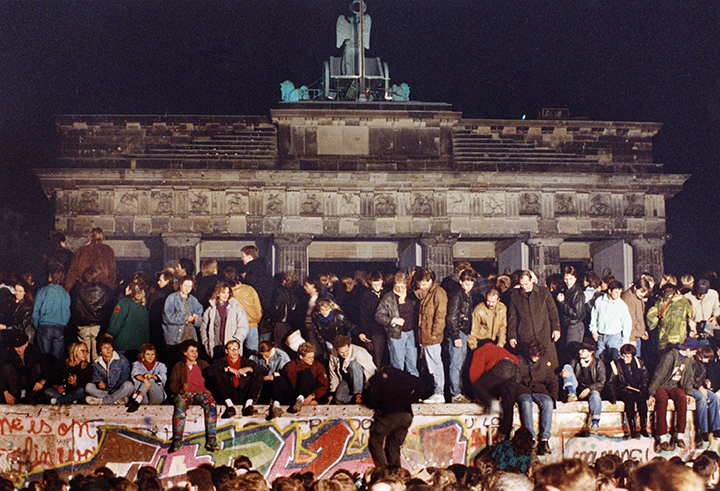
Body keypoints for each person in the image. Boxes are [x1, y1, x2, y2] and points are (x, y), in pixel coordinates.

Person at [363, 365, 425, 468]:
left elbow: (372, 400)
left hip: (390, 414)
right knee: (393, 446)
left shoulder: (379, 377)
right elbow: (421, 383)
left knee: (376, 440)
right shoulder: (404, 375)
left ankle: (383, 470)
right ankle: (397, 473)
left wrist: (367, 400)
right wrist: (412, 398)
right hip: (407, 416)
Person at [167, 339, 219, 453]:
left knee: (211, 404)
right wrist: (181, 387)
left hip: (201, 393)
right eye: (191, 351)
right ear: (185, 353)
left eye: (196, 351)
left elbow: (213, 380)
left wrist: (209, 390)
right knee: (180, 404)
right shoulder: (178, 366)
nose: (194, 354)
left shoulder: (203, 364)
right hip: (185, 393)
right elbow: (172, 385)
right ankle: (177, 440)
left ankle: (211, 438)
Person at [648, 337, 697, 451]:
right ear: (688, 349)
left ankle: (679, 435)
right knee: (662, 399)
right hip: (661, 386)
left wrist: (688, 393)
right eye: (694, 350)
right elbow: (659, 375)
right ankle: (662, 436)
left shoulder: (688, 360)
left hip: (673, 386)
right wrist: (651, 392)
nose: (695, 353)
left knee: (681, 396)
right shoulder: (670, 356)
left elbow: (689, 378)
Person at [507, 270, 561, 368]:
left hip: (544, 333)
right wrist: (512, 335)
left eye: (526, 284)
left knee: (549, 363)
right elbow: (512, 318)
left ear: (532, 280)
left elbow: (553, 312)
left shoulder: (544, 292)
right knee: (528, 363)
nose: (524, 287)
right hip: (525, 335)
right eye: (521, 284)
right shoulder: (514, 296)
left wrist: (556, 328)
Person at [468, 339, 519, 439]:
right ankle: (504, 436)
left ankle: (492, 402)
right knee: (508, 405)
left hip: (504, 367)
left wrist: (480, 394)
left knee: (479, 384)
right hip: (516, 370)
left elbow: (474, 374)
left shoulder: (482, 350)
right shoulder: (500, 350)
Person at [204, 339, 267, 418]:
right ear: (226, 351)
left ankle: (248, 405)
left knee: (258, 375)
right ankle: (230, 407)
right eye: (231, 349)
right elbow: (209, 372)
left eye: (236, 348)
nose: (234, 351)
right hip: (228, 394)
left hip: (243, 393)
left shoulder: (245, 361)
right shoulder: (221, 361)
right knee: (217, 375)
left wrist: (249, 369)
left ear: (239, 350)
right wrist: (227, 369)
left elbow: (264, 370)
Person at [517, 340, 558, 455]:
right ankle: (531, 439)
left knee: (548, 403)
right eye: (533, 355)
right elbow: (514, 379)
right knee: (525, 402)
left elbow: (552, 379)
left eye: (538, 356)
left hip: (539, 389)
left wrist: (554, 396)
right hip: (523, 389)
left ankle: (544, 440)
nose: (535, 358)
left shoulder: (544, 360)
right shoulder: (519, 360)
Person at [413, 267, 447, 404]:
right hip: (424, 336)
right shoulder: (425, 292)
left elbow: (440, 316)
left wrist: (434, 334)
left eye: (423, 284)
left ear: (430, 280)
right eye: (419, 284)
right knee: (429, 365)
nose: (421, 287)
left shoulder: (439, 293)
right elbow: (415, 293)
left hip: (431, 337)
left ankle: (439, 393)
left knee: (435, 365)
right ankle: (434, 392)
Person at [375, 272, 418, 376]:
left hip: (411, 333)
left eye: (402, 286)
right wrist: (393, 320)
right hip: (396, 335)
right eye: (397, 286)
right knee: (398, 365)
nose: (400, 289)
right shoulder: (388, 297)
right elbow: (378, 316)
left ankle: (414, 388)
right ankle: (398, 388)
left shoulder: (412, 295)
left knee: (412, 364)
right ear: (393, 285)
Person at [560, 339, 606, 434]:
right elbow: (568, 376)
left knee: (596, 394)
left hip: (590, 390)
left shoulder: (598, 363)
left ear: (591, 352)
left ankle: (595, 423)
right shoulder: (575, 362)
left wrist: (589, 389)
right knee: (567, 367)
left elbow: (601, 382)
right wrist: (562, 374)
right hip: (576, 390)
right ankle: (571, 394)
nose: (580, 352)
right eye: (580, 349)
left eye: (583, 350)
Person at [606, 343, 649, 438]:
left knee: (642, 401)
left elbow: (645, 377)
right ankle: (632, 429)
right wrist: (613, 395)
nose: (625, 358)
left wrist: (643, 388)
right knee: (630, 401)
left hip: (637, 389)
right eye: (623, 356)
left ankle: (643, 427)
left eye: (628, 356)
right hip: (624, 390)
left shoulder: (639, 362)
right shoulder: (616, 364)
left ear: (632, 356)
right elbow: (611, 382)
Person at [445, 269, 476, 403]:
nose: (470, 287)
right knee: (456, 364)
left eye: (471, 284)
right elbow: (451, 318)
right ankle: (456, 394)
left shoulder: (465, 294)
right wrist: (456, 336)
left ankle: (458, 392)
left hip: (462, 332)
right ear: (461, 282)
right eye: (467, 284)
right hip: (458, 333)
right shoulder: (458, 296)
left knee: (459, 363)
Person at [71, 265, 114, 361]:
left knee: (84, 353)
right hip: (98, 325)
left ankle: (86, 372)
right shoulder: (106, 289)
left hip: (83, 324)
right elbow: (109, 307)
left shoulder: (78, 289)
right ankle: (97, 373)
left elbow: (74, 307)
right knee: (98, 353)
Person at [200, 281, 249, 360]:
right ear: (217, 293)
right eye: (223, 293)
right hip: (215, 347)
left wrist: (236, 341)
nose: (226, 295)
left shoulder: (236, 308)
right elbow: (203, 327)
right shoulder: (210, 310)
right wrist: (206, 342)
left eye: (227, 293)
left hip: (231, 348)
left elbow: (243, 327)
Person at [279, 342, 329, 415]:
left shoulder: (318, 366)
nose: (312, 360)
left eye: (313, 357)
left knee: (307, 372)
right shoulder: (291, 366)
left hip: (313, 394)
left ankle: (302, 400)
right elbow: (291, 385)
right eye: (309, 358)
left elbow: (323, 385)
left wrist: (311, 396)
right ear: (301, 357)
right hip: (296, 394)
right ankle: (300, 400)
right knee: (306, 373)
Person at [32, 268, 72, 360]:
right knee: (57, 360)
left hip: (44, 327)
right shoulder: (65, 293)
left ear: (50, 277)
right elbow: (68, 313)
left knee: (44, 359)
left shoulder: (42, 291)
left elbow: (35, 310)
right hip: (59, 328)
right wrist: (62, 323)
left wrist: (37, 324)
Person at [0, 331, 48, 404]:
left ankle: (31, 397)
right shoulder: (7, 352)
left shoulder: (33, 350)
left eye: (22, 346)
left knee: (37, 367)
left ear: (26, 344)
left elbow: (46, 366)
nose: (19, 350)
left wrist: (42, 382)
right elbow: (1, 372)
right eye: (17, 347)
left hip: (30, 381)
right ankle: (15, 397)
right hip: (16, 382)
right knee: (6, 367)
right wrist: (5, 392)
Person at [589, 280, 632, 362]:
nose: (618, 295)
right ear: (609, 291)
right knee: (598, 360)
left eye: (620, 292)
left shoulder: (622, 305)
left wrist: (625, 341)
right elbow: (594, 317)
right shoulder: (599, 301)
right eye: (616, 292)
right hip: (601, 336)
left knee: (615, 361)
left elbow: (627, 324)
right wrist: (593, 331)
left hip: (614, 337)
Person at [106, 280, 150, 360]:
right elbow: (146, 328)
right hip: (138, 346)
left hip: (123, 345)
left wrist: (109, 334)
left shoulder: (123, 302)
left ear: (130, 290)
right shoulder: (143, 305)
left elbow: (116, 322)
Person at [163, 276, 203, 360]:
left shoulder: (193, 300)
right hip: (175, 339)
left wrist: (197, 320)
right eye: (185, 285)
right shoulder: (172, 298)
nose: (187, 288)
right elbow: (167, 317)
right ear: (180, 285)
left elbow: (200, 314)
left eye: (190, 286)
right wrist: (185, 319)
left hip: (190, 337)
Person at [85, 335, 134, 405]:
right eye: (105, 347)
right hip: (105, 392)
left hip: (118, 390)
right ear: (100, 351)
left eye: (109, 347)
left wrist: (115, 391)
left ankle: (103, 401)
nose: (108, 349)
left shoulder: (122, 360)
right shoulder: (95, 363)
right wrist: (100, 384)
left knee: (129, 385)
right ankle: (117, 400)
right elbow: (95, 379)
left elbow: (124, 379)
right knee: (88, 387)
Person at [223, 267, 263, 352]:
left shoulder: (226, 293)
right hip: (252, 325)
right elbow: (258, 308)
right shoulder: (249, 289)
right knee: (253, 353)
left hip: (235, 327)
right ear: (237, 277)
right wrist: (256, 321)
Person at [327, 335, 376, 405]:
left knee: (353, 364)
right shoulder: (333, 354)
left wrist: (366, 390)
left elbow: (371, 372)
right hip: (348, 379)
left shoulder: (359, 352)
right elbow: (333, 373)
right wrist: (332, 391)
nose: (344, 354)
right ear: (336, 349)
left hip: (363, 380)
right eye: (341, 352)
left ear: (349, 346)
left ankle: (358, 394)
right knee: (338, 399)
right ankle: (358, 400)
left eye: (346, 351)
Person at [65, 227, 117, 292]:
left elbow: (72, 273)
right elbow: (112, 273)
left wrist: (67, 290)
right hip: (102, 289)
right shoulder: (108, 250)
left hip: (84, 289)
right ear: (102, 237)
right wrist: (109, 290)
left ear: (90, 237)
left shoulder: (80, 251)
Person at [647, 282, 693, 352]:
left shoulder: (661, 302)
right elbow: (690, 315)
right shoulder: (684, 301)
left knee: (665, 358)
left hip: (665, 337)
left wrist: (655, 324)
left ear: (663, 292)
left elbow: (650, 315)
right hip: (681, 336)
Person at [249, 340, 290, 413]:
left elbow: (287, 374)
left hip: (277, 382)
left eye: (266, 355)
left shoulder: (282, 357)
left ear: (271, 350)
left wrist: (274, 376)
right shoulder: (256, 356)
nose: (263, 357)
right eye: (262, 355)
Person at [555, 266, 587, 362]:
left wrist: (562, 303)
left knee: (572, 355)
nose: (568, 281)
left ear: (575, 278)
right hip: (568, 326)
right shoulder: (567, 290)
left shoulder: (577, 292)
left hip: (574, 327)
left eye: (570, 279)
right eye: (566, 279)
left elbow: (576, 314)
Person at [691, 344, 720, 447]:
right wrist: (699, 387)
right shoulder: (693, 362)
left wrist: (706, 382)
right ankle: (703, 430)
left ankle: (716, 427)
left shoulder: (703, 364)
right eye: (707, 358)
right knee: (702, 398)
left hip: (700, 386)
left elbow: (702, 377)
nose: (708, 361)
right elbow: (690, 379)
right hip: (691, 387)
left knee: (714, 397)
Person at [357, 271, 387, 368]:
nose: (377, 287)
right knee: (377, 360)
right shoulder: (366, 296)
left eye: (379, 284)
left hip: (387, 330)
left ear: (382, 281)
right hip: (375, 331)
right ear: (370, 283)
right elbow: (363, 317)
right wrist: (367, 335)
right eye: (374, 284)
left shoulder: (387, 294)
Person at [127, 343, 167, 412]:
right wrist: (144, 380)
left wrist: (152, 376)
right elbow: (135, 374)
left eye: (152, 354)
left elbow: (163, 378)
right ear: (143, 355)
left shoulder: (160, 365)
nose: (150, 357)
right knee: (143, 380)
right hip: (144, 397)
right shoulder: (137, 364)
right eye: (148, 354)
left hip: (156, 395)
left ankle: (136, 400)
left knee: (150, 380)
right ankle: (138, 399)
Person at [621, 277, 652, 357]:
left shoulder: (637, 296)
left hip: (637, 335)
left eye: (645, 292)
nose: (643, 294)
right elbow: (629, 320)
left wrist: (642, 330)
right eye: (642, 291)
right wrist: (631, 338)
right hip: (631, 337)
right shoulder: (629, 298)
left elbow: (639, 315)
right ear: (635, 288)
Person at [0, 279, 34, 347]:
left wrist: (6, 327)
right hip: (5, 336)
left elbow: (22, 325)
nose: (17, 293)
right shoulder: (10, 300)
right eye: (16, 290)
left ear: (25, 292)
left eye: (20, 291)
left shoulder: (28, 306)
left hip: (18, 338)